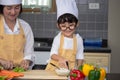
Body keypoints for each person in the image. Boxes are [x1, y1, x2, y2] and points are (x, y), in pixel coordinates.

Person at [45, 0, 84, 71]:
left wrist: (79, 70)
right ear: (58, 25)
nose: (67, 29)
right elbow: (53, 54)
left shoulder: (78, 39)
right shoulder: (58, 38)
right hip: (55, 69)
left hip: (70, 70)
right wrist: (61, 59)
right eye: (63, 26)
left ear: (77, 24)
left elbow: (80, 56)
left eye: (71, 25)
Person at [0, 0, 35, 70]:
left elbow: (29, 52)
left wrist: (26, 61)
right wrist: (1, 61)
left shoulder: (25, 26)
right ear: (2, 8)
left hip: (20, 72)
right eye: (9, 8)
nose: (13, 12)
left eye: (17, 8)